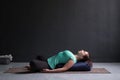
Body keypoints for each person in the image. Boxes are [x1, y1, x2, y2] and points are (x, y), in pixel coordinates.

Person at [26, 50, 91, 73]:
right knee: (39, 56)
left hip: (50, 65)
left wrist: (49, 71)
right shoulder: (73, 55)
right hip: (48, 60)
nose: (82, 50)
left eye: (84, 52)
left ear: (82, 57)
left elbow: (64, 68)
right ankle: (36, 68)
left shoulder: (73, 60)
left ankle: (35, 68)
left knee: (33, 63)